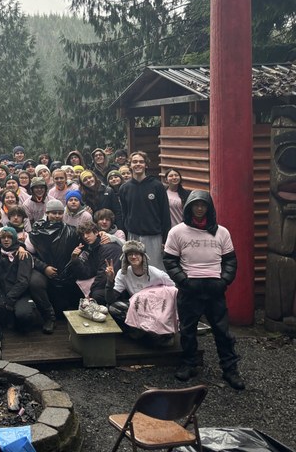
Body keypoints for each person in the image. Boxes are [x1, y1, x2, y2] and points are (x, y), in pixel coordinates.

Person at [163, 190, 244, 390]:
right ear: (189, 207)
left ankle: (230, 369)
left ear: (209, 208)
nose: (199, 209)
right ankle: (189, 364)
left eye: (203, 205)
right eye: (196, 205)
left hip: (214, 286)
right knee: (187, 330)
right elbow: (170, 260)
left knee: (222, 331)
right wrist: (183, 281)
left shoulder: (222, 232)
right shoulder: (177, 232)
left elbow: (230, 260)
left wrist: (224, 281)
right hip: (190, 286)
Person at [104, 240, 177, 346]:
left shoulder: (156, 273)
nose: (133, 256)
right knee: (113, 308)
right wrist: (110, 281)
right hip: (137, 307)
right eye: (130, 254)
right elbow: (110, 300)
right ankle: (139, 331)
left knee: (161, 340)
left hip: (156, 308)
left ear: (143, 256)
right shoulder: (123, 273)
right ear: (125, 257)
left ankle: (156, 334)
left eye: (137, 253)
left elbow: (173, 290)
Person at [118, 151, 171, 271]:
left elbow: (165, 214)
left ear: (146, 165)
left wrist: (165, 239)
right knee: (136, 269)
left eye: (141, 162)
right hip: (133, 235)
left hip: (153, 236)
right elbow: (124, 214)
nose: (138, 164)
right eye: (135, 162)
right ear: (130, 165)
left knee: (154, 270)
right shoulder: (124, 188)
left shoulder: (157, 186)